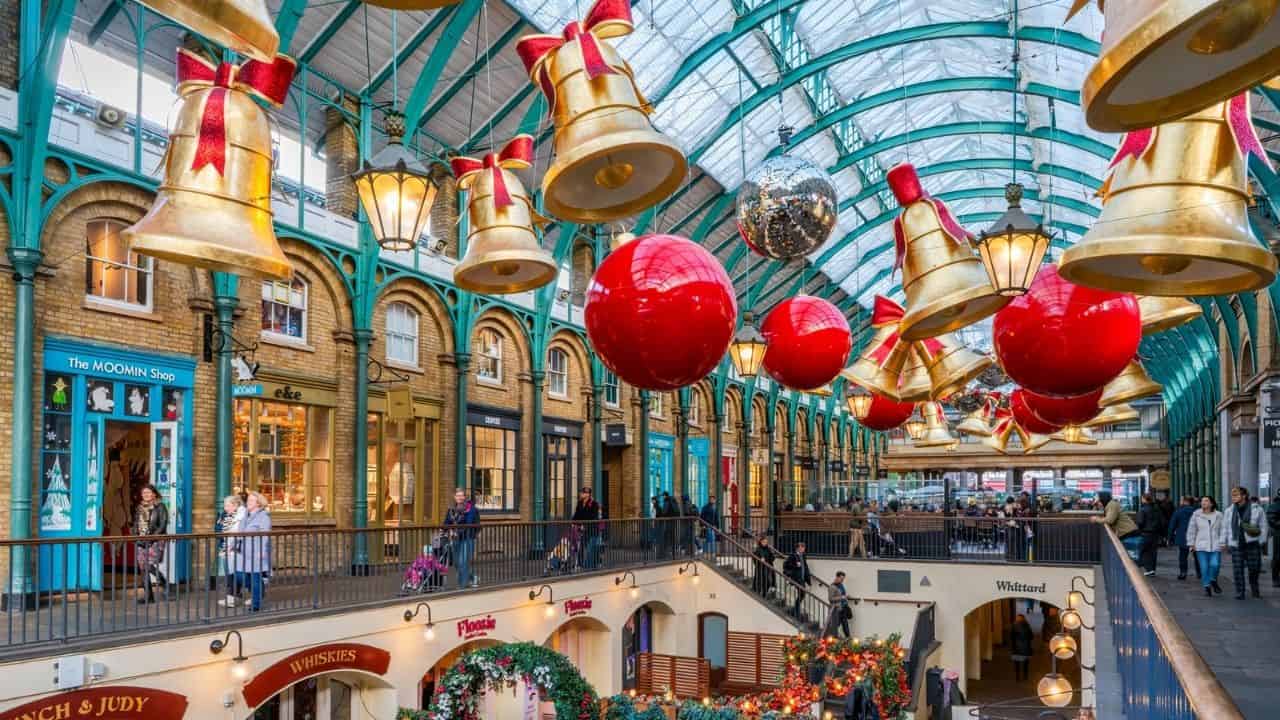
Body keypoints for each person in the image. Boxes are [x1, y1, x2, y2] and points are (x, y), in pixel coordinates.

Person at [1224, 486, 1269, 599]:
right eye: (1232, 495)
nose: (1233, 497)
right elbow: (1225, 528)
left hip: (1252, 543)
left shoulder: (1257, 509)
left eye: (1236, 495)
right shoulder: (1229, 510)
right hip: (1236, 543)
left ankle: (1255, 589)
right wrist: (1223, 542)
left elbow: (1263, 526)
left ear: (1244, 496)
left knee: (1254, 569)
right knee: (1238, 570)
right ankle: (1240, 592)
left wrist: (1262, 541)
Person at [234, 491, 272, 612]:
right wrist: (234, 545)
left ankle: (256, 604)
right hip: (243, 551)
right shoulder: (246, 515)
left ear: (258, 503)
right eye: (248, 500)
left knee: (255, 577)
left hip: (256, 551)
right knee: (240, 575)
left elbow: (265, 534)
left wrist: (262, 550)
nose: (248, 502)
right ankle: (261, 590)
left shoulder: (263, 516)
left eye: (251, 500)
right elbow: (240, 532)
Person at [133, 484, 170, 604]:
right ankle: (149, 597)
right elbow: (136, 523)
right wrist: (135, 535)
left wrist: (151, 538)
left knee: (147, 565)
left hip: (156, 540)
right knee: (143, 568)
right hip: (141, 540)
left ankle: (163, 582)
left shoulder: (160, 506)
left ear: (154, 494)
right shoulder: (140, 507)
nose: (146, 495)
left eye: (148, 492)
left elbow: (163, 524)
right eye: (144, 493)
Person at [1186, 495, 1226, 597]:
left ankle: (1213, 580)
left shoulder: (1219, 515)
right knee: (1204, 568)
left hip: (1215, 545)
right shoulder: (1196, 514)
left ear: (1211, 503)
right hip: (1201, 546)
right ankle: (1207, 587)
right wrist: (1191, 543)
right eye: (1202, 501)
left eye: (1206, 501)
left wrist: (1222, 542)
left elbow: (1223, 529)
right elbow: (1191, 529)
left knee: (1215, 565)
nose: (1203, 502)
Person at [444, 488, 480, 589]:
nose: (460, 497)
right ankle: (472, 577)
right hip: (455, 539)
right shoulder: (451, 510)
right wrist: (444, 530)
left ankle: (462, 585)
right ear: (454, 497)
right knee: (456, 563)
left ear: (464, 497)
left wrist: (456, 530)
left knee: (463, 561)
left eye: (461, 495)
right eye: (458, 495)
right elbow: (446, 523)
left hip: (467, 538)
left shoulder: (471, 509)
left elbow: (469, 523)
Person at [215, 494, 246, 608]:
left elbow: (238, 533)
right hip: (225, 547)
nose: (225, 508)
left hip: (235, 549)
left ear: (235, 505)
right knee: (230, 573)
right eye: (225, 505)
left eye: (227, 505)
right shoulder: (224, 515)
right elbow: (217, 529)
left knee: (234, 574)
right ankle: (233, 596)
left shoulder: (240, 516)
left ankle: (233, 597)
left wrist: (232, 546)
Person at [1092, 490, 1142, 558]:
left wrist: (1096, 519)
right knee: (1129, 558)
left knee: (1130, 559)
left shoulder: (1112, 505)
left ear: (1103, 499)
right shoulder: (1110, 505)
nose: (1098, 505)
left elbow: (1109, 520)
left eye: (1099, 502)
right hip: (1127, 534)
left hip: (1129, 535)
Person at [1168, 496, 1198, 581]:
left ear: (1185, 502)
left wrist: (1169, 538)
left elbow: (1172, 525)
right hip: (1195, 537)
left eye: (1182, 501)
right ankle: (1200, 573)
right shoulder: (1196, 512)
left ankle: (1183, 573)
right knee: (1197, 556)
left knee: (1183, 556)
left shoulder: (1178, 511)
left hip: (1182, 537)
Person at [571, 486, 601, 570]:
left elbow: (594, 517)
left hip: (592, 529)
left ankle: (598, 562)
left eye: (584, 493)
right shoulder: (580, 503)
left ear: (588, 495)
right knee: (581, 546)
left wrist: (584, 524)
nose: (582, 494)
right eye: (582, 492)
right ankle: (579, 564)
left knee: (592, 547)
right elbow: (577, 515)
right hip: (583, 529)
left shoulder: (594, 504)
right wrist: (573, 523)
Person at [1135, 493, 1163, 576]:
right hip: (1155, 534)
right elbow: (1162, 522)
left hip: (1145, 533)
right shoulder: (1157, 509)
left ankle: (1147, 569)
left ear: (1144, 499)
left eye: (1142, 498)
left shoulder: (1142, 510)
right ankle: (1152, 569)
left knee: (1143, 551)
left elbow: (1140, 522)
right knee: (1153, 552)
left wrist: (1139, 530)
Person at [783, 541, 812, 617]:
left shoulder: (803, 556)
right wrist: (795, 566)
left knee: (802, 594)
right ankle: (796, 609)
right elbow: (786, 565)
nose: (804, 549)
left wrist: (808, 581)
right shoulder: (793, 556)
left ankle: (796, 608)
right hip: (796, 578)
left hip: (802, 578)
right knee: (802, 593)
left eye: (804, 547)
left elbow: (805, 567)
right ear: (798, 548)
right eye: (802, 547)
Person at [825, 570, 852, 638]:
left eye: (843, 579)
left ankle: (849, 639)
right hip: (837, 609)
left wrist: (846, 597)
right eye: (841, 579)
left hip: (843, 608)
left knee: (845, 625)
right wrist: (842, 597)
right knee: (835, 625)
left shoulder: (841, 585)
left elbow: (843, 594)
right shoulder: (832, 587)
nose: (842, 580)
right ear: (837, 577)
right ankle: (829, 637)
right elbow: (830, 599)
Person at [1009, 614, 1034, 682]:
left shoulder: (1014, 626)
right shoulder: (1027, 626)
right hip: (1026, 648)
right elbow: (1031, 636)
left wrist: (1012, 647)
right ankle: (1025, 676)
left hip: (1016, 648)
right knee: (1025, 664)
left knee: (1017, 664)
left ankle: (1017, 677)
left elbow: (1011, 637)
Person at [1267, 493, 1280, 588]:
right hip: (1278, 534)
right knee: (1278, 556)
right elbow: (1272, 520)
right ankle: (1275, 579)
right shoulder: (1275, 506)